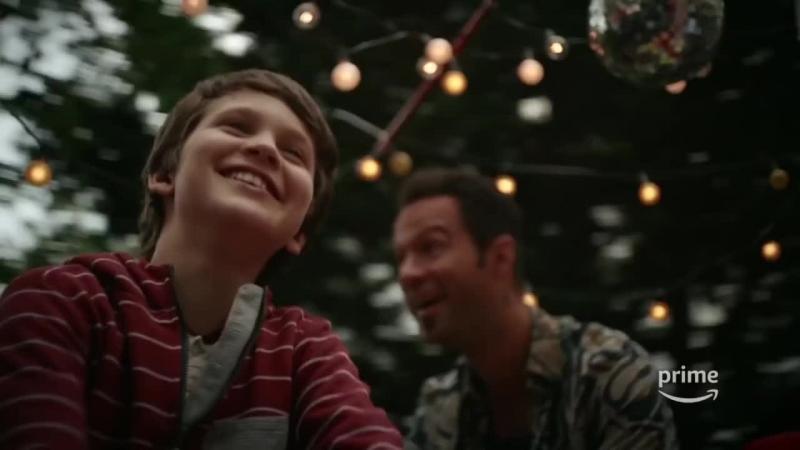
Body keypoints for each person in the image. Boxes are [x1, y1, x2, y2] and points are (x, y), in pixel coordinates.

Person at [0, 69, 402, 449]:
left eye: (294, 153)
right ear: (164, 174)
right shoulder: (62, 300)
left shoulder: (305, 351)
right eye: (236, 127)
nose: (265, 148)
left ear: (300, 231)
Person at [392, 167, 678, 450]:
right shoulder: (439, 408)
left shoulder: (606, 375)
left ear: (501, 257)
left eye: (431, 247)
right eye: (401, 258)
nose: (407, 274)